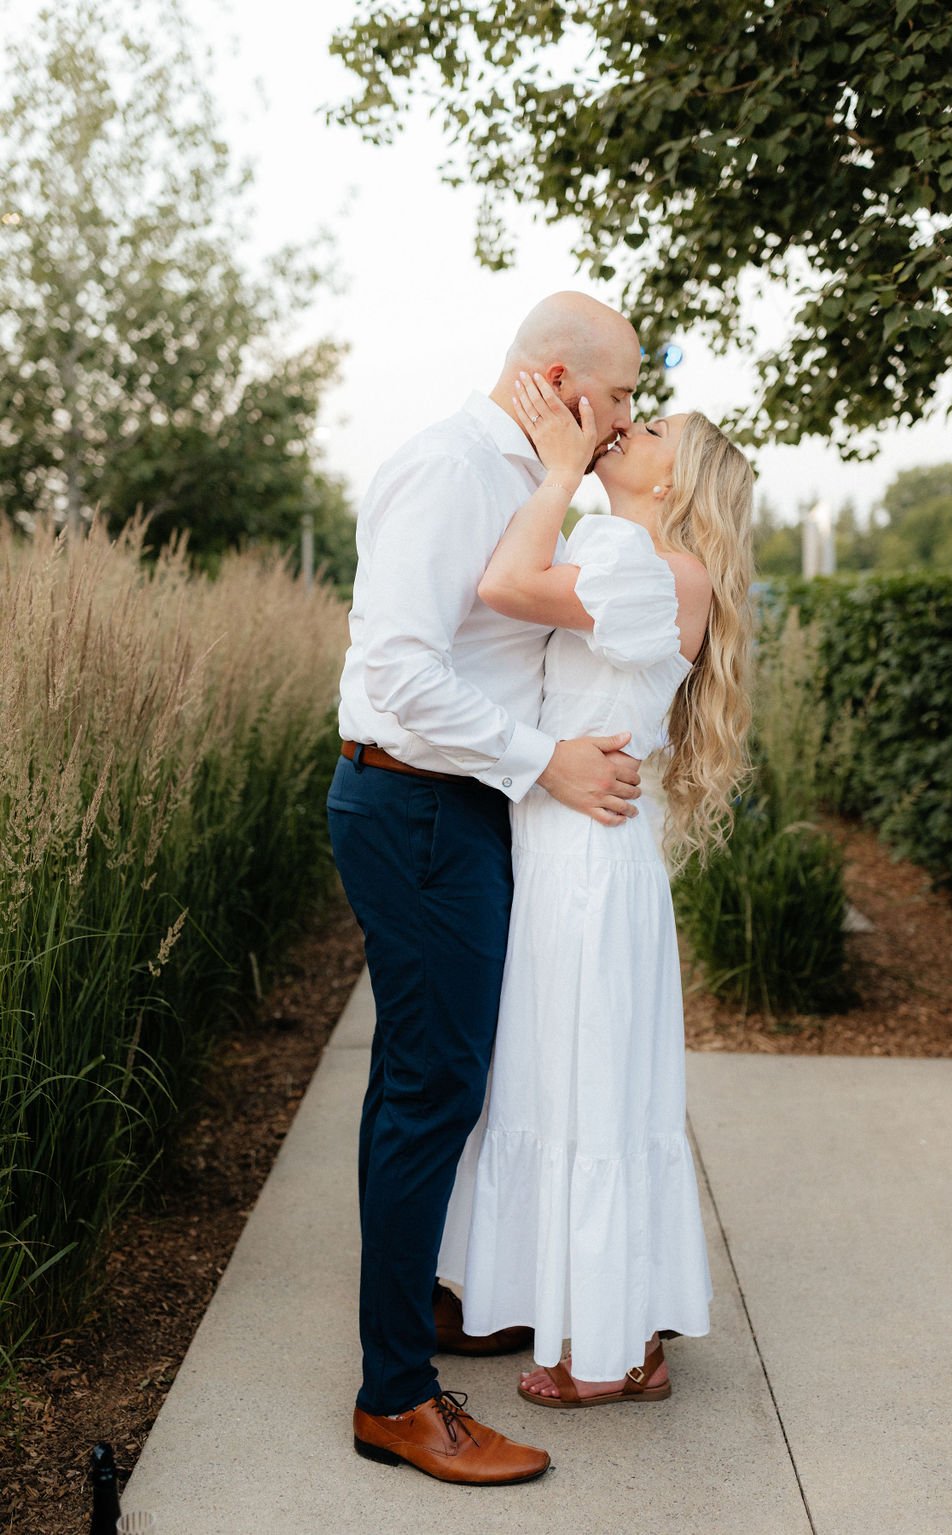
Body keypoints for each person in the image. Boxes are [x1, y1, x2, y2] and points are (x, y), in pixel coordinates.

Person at [326, 293, 649, 1485]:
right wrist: (543, 761)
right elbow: (398, 672)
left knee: (431, 1076)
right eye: (617, 396)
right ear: (562, 380)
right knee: (432, 1084)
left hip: (453, 807)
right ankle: (396, 1398)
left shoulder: (524, 472)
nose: (625, 419)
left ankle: (419, 1318)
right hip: (415, 803)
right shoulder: (453, 467)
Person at [438, 372, 756, 1406]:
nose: (629, 426)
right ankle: (591, 1311)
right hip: (561, 846)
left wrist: (564, 469)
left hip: (586, 856)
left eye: (650, 427)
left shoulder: (653, 564)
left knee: (589, 1084)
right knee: (549, 1074)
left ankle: (612, 1346)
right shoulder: (628, 555)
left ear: (679, 477)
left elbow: (502, 585)